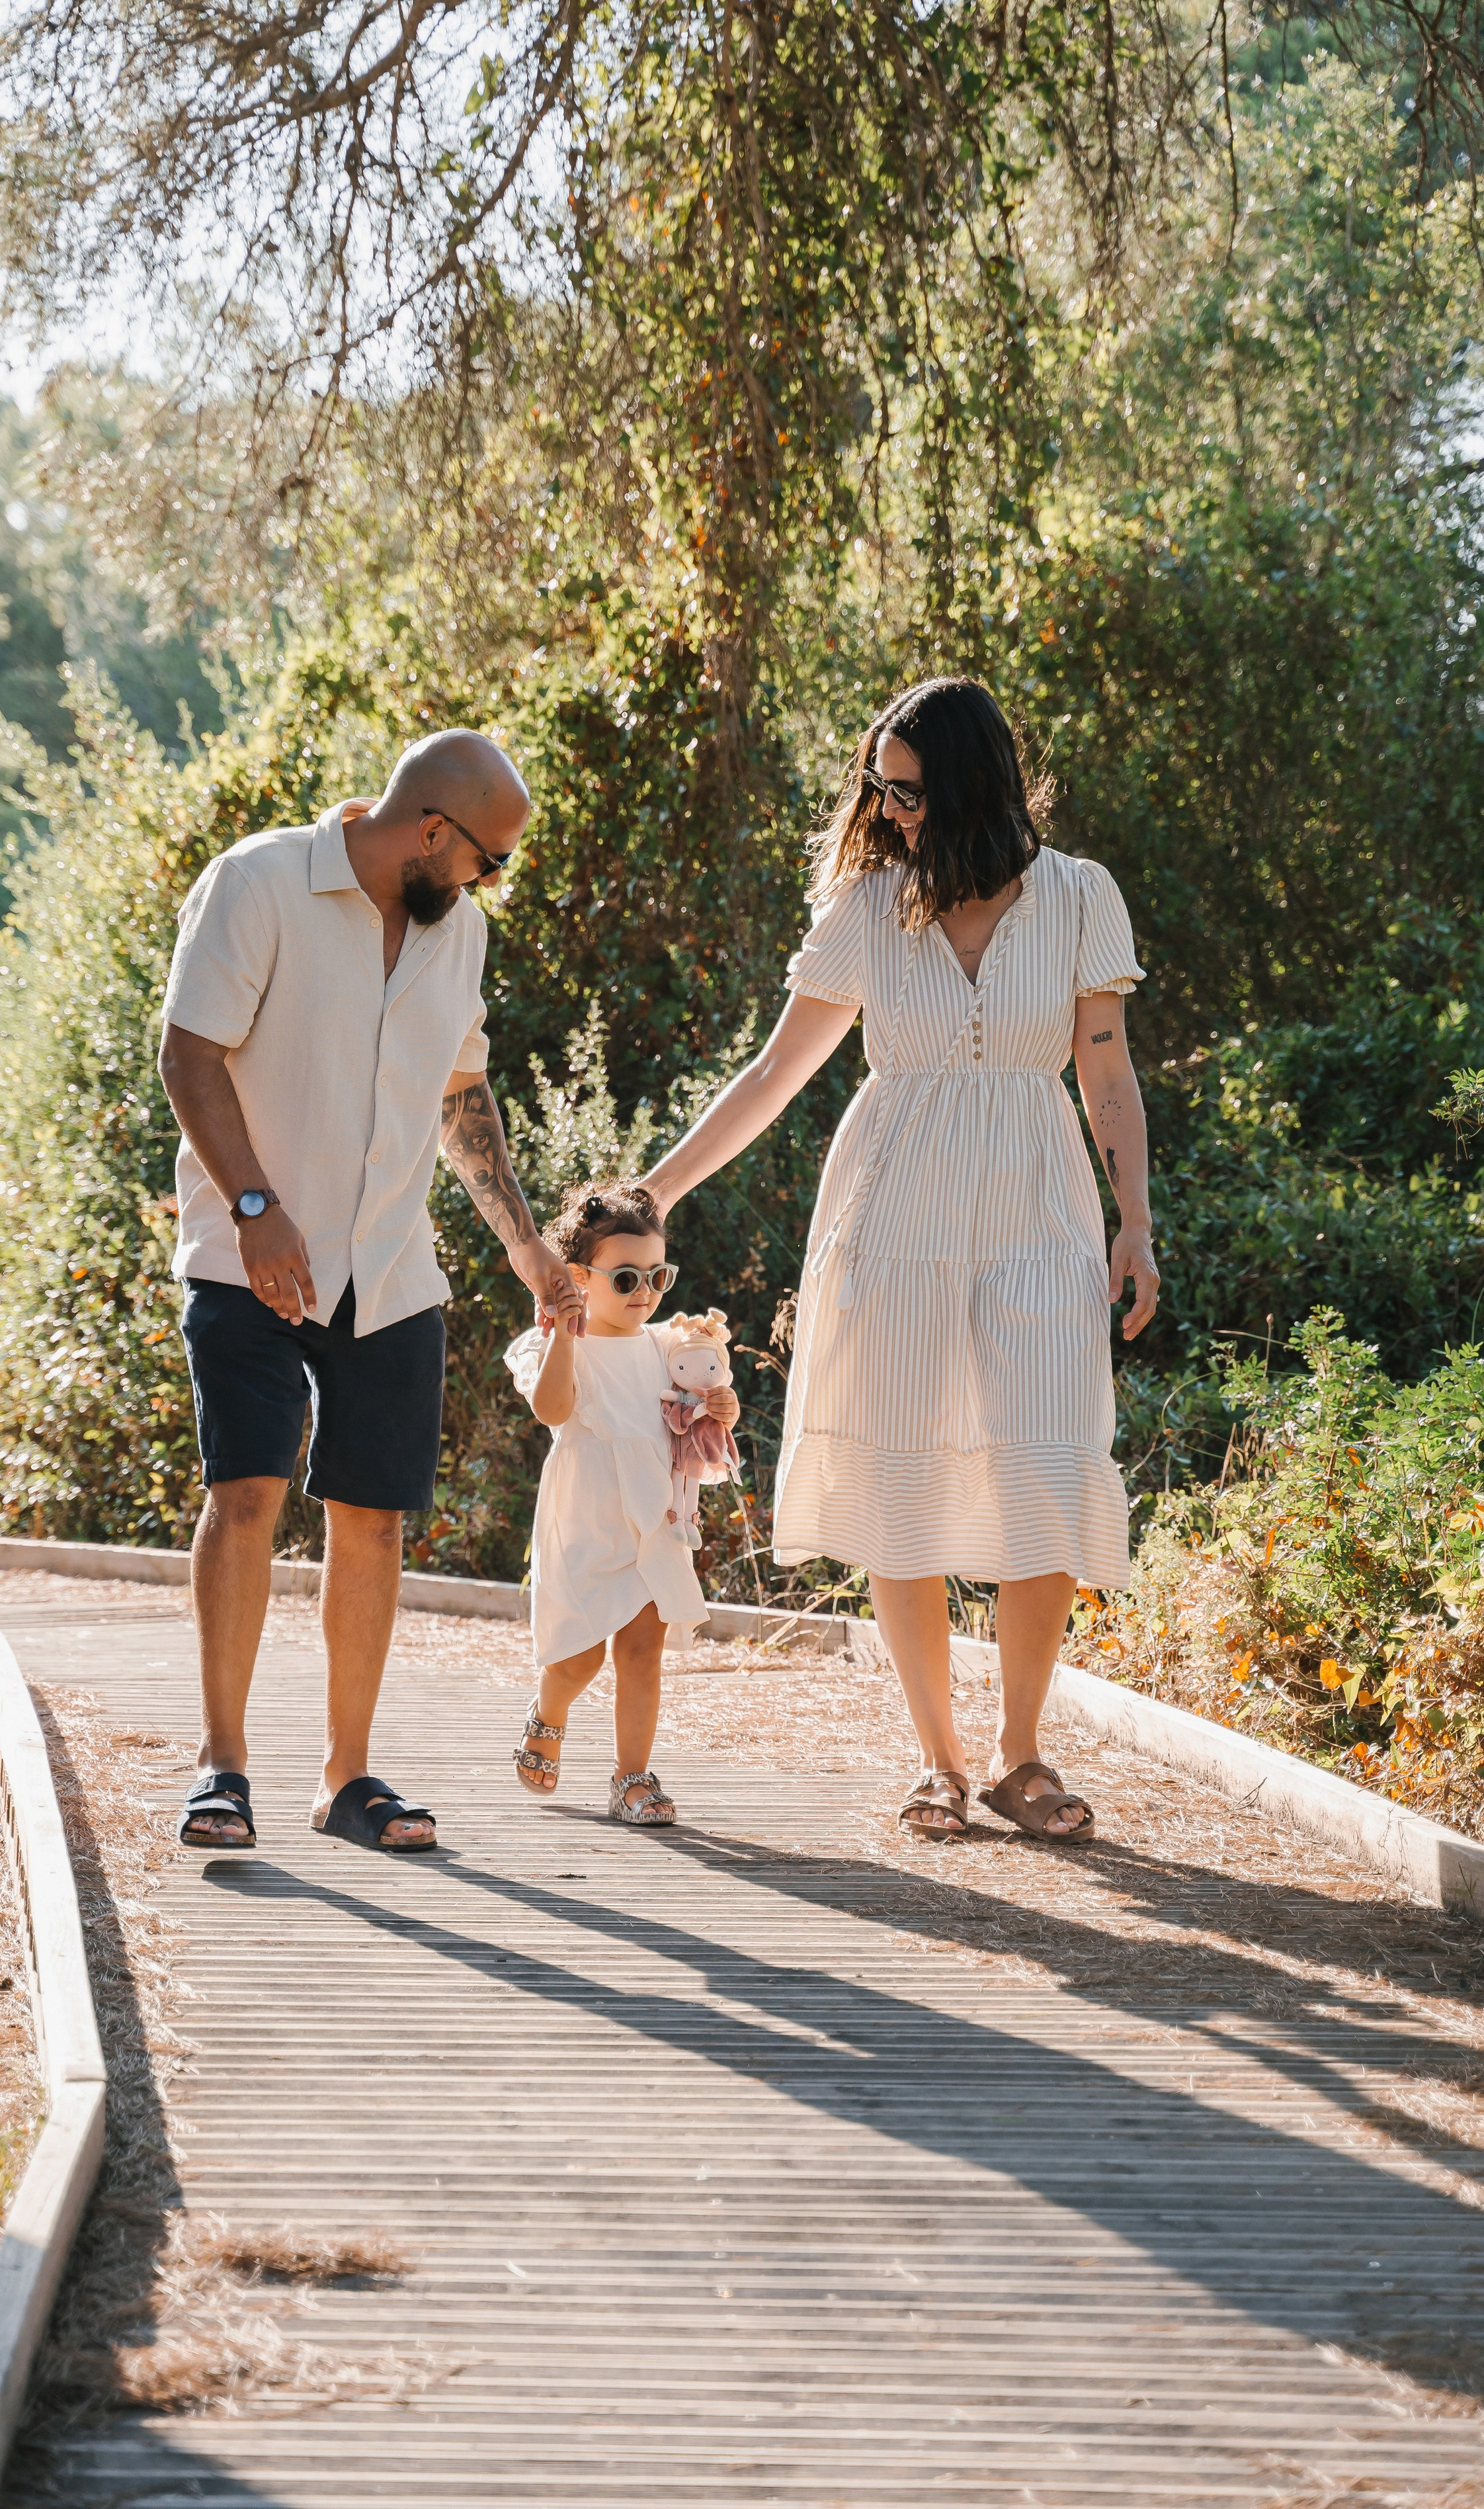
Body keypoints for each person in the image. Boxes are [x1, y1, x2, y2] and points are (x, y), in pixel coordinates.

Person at [642, 677, 1159, 1844]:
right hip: (893, 1216)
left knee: (1045, 1465)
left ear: (974, 784)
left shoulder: (1080, 897)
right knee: (900, 1477)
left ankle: (1024, 1755)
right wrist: (656, 1191)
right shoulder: (870, 907)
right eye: (879, 787)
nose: (889, 809)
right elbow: (775, 1076)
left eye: (911, 790)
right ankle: (940, 1760)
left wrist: (1135, 1223)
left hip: (1040, 1209)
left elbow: (1107, 1072)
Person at [157, 729, 585, 1855]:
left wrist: (525, 1247)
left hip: (391, 1267)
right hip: (246, 1253)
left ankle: (346, 1779)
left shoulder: (460, 933)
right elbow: (188, 1053)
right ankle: (223, 1769)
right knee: (246, 1492)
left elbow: (462, 1094)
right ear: (431, 832)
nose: (492, 884)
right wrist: (255, 1209)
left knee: (374, 1519)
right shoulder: (256, 884)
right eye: (488, 860)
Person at [503, 1181, 741, 1827]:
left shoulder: (666, 1346)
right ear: (579, 1276)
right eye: (628, 1278)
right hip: (584, 1519)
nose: (646, 1294)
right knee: (578, 1654)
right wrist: (560, 1333)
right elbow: (552, 1410)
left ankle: (631, 1776)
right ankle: (549, 1710)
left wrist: (723, 1407)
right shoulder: (552, 1345)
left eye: (658, 1276)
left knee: (643, 1649)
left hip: (654, 1518)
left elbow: (708, 1398)